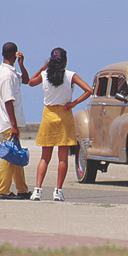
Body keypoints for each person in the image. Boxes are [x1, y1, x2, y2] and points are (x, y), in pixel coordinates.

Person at [28, 48, 93, 201]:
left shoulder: (44, 75)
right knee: (62, 158)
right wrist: (74, 103)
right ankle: (58, 191)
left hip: (49, 115)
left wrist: (42, 68)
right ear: (65, 61)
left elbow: (30, 82)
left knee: (45, 156)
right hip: (64, 114)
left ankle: (37, 190)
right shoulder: (70, 75)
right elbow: (89, 90)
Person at [0, 42, 31, 199]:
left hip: (11, 122)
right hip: (9, 122)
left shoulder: (9, 71)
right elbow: (9, 101)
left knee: (16, 155)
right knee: (9, 157)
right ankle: (3, 190)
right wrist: (13, 125)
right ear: (15, 54)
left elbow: (26, 80)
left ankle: (22, 189)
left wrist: (22, 65)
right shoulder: (6, 75)